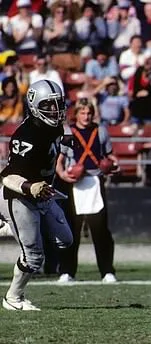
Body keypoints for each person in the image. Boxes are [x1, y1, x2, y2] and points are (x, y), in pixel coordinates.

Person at [0, 80, 73, 311]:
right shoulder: (27, 135)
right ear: (33, 106)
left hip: (44, 193)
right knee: (33, 257)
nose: (55, 110)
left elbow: (60, 134)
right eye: (48, 105)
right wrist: (30, 186)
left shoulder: (53, 125)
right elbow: (7, 177)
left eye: (57, 104)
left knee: (65, 240)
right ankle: (13, 298)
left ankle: (9, 227)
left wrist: (68, 141)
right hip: (19, 195)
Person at [56, 99, 119, 283]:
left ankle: (107, 271)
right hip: (74, 182)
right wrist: (63, 175)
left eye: (89, 112)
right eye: (82, 112)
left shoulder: (101, 131)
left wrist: (115, 165)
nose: (86, 116)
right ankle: (67, 271)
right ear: (76, 114)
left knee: (100, 231)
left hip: (94, 182)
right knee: (70, 231)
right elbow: (59, 161)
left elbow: (109, 156)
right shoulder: (68, 132)